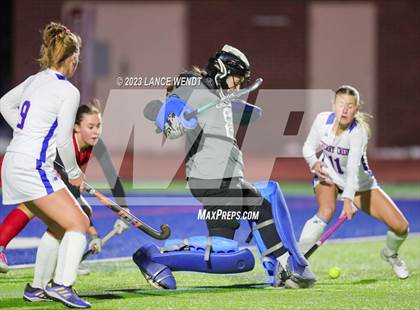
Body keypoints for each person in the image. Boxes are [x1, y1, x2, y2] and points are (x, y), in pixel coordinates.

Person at [138, 45, 316, 289]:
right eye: (236, 79)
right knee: (227, 254)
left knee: (262, 205)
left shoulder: (218, 96)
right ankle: (154, 258)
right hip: (212, 179)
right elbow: (154, 110)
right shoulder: (194, 88)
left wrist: (228, 102)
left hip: (227, 178)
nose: (238, 86)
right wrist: (175, 119)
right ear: (222, 71)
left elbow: (255, 115)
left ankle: (284, 265)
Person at [0, 22, 91, 308]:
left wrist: (26, 132)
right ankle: (63, 285)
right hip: (31, 166)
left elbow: (4, 103)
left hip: (12, 161)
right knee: (80, 223)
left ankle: (37, 287)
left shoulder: (35, 80)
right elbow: (64, 141)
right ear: (73, 58)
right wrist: (75, 174)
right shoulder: (68, 90)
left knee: (59, 225)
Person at [0, 99, 129, 278]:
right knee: (32, 207)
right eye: (90, 126)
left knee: (79, 212)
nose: (96, 131)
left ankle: (60, 265)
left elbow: (113, 177)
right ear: (76, 127)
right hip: (26, 168)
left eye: (99, 126)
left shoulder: (97, 145)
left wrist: (125, 210)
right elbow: (71, 191)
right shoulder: (64, 144)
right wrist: (93, 234)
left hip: (47, 177)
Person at [299, 85, 410, 279]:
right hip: (328, 175)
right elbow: (308, 146)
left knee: (401, 227)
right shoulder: (322, 120)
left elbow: (351, 170)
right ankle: (297, 260)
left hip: (359, 184)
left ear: (356, 109)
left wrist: (348, 200)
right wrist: (314, 162)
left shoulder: (358, 133)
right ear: (333, 104)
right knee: (326, 210)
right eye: (341, 104)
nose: (344, 109)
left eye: (350, 106)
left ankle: (390, 254)